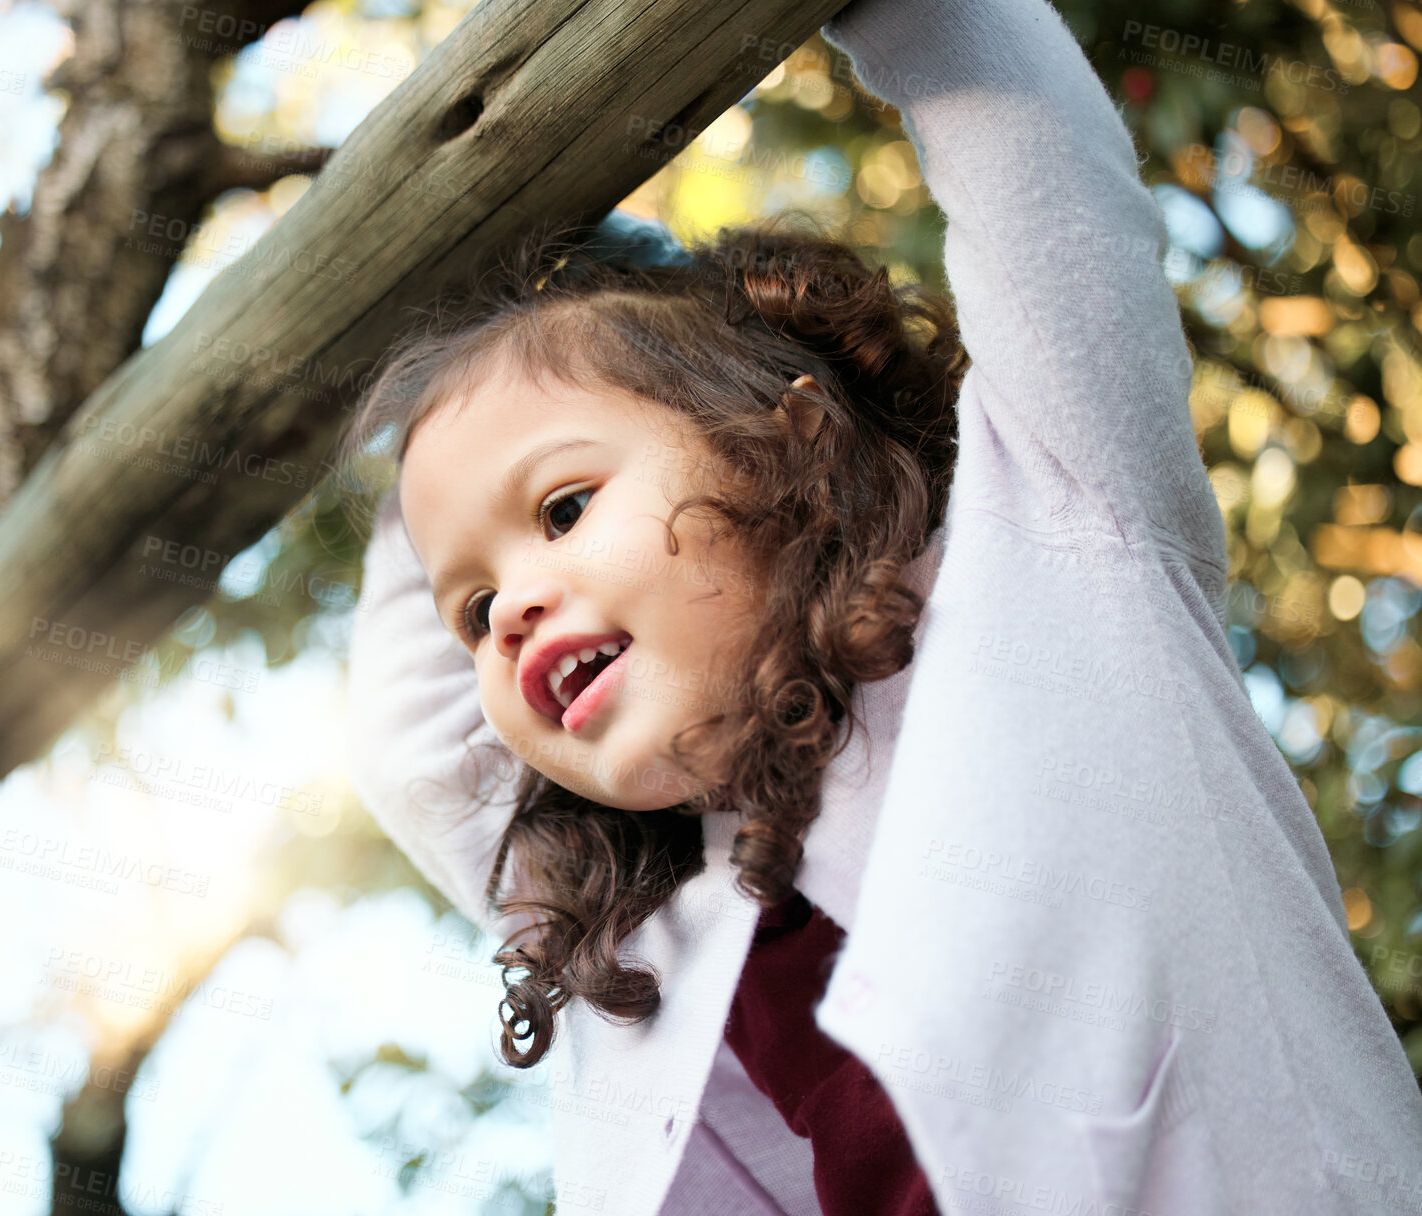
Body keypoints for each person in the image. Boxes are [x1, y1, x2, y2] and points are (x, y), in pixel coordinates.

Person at [336, 0, 1422, 1213]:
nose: (515, 613)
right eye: (474, 609)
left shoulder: (1060, 564)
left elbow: (1040, 168)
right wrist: (442, 422)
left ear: (784, 442)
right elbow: (412, 740)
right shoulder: (630, 910)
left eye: (563, 506)